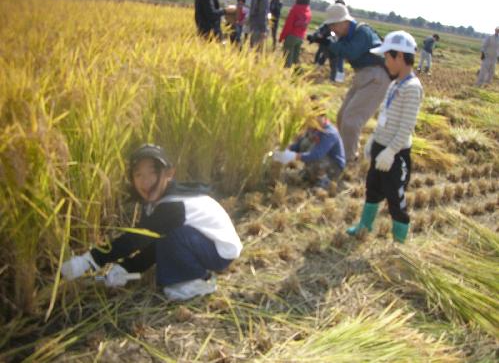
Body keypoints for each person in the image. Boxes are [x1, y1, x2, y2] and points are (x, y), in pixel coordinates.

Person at [61, 144, 243, 301]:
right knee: (167, 237)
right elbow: (152, 244)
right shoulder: (157, 203)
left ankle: (198, 280)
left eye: (153, 173)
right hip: (205, 244)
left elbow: (135, 239)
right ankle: (190, 272)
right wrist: (126, 268)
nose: (145, 181)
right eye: (138, 174)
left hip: (219, 252)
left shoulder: (173, 205)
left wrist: (89, 261)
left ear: (169, 174)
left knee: (174, 239)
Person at [346, 31, 422, 243]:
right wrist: (374, 140)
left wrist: (391, 151)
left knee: (394, 198)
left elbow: (406, 126)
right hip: (382, 147)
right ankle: (364, 226)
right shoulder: (395, 83)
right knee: (372, 188)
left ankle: (399, 241)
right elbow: (385, 116)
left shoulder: (412, 88)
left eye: (387, 57)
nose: (384, 61)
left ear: (399, 56)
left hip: (395, 154)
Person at [324, 3, 391, 163]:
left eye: (334, 25)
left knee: (351, 120)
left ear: (345, 22)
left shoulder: (362, 32)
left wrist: (331, 45)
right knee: (342, 117)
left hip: (377, 77)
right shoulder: (347, 36)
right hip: (363, 75)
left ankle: (347, 160)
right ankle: (342, 152)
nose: (333, 29)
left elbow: (351, 51)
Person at [272, 104, 346, 190]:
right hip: (321, 160)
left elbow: (316, 155)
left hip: (334, 167)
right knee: (305, 143)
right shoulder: (312, 128)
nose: (311, 121)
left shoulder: (330, 133)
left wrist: (292, 156)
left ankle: (324, 180)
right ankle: (309, 173)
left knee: (316, 159)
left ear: (323, 116)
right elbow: (299, 145)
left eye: (315, 118)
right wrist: (285, 149)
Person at [279, 0, 312, 68]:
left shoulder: (295, 9)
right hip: (300, 37)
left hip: (291, 36)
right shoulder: (308, 11)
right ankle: (297, 74)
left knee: (287, 58)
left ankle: (286, 75)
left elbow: (288, 25)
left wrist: (281, 37)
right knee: (295, 59)